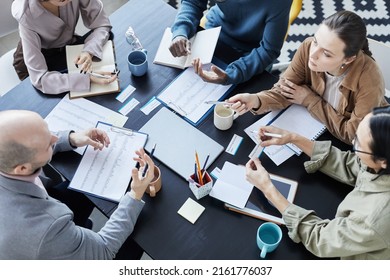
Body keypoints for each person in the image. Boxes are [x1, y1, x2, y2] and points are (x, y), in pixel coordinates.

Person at [0, 110, 155, 259]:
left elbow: (30, 148)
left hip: (44, 207)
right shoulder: (45, 229)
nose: (54, 138)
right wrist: (135, 194)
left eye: (48, 131)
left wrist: (71, 138)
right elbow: (104, 249)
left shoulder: (9, 159)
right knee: (138, 240)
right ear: (22, 168)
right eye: (47, 143)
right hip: (50, 243)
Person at [246, 106, 390, 259]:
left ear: (383, 161)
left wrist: (268, 190)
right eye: (356, 135)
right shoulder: (380, 159)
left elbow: (320, 240)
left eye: (359, 144)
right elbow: (352, 165)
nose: (353, 142)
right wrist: (293, 138)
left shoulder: (375, 219)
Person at [229, 10, 389, 144]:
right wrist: (256, 100)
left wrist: (309, 100)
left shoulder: (369, 79)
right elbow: (286, 90)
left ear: (348, 59)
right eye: (316, 41)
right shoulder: (307, 46)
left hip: (356, 147)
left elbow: (353, 135)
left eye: (326, 53)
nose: (313, 54)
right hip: (316, 127)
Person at [169, 0, 292, 85]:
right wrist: (181, 30)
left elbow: (269, 50)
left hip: (251, 54)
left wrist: (232, 74)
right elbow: (193, 2)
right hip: (214, 32)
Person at [11, 0, 117, 95]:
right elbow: (40, 79)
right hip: (41, 58)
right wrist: (86, 79)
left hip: (67, 47)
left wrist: (89, 51)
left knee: (108, 37)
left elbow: (102, 24)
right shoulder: (26, 14)